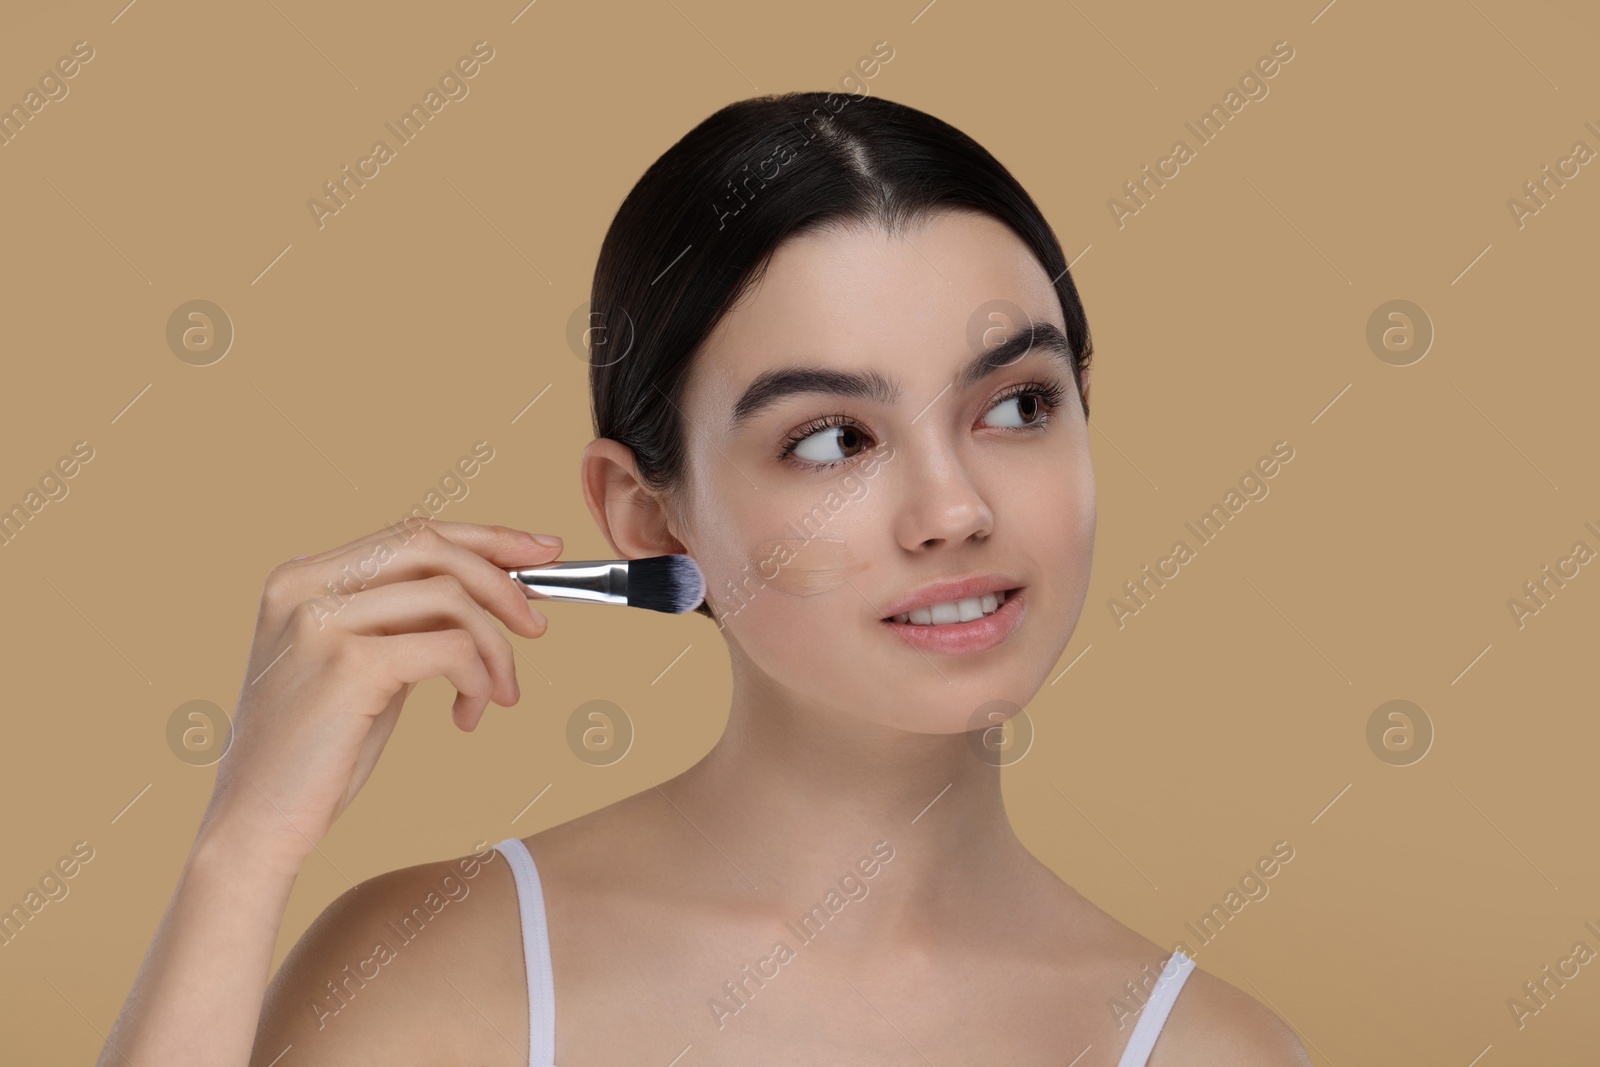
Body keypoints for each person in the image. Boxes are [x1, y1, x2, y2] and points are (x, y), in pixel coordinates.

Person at [101, 91, 1312, 1065]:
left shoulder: (1209, 1045)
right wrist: (242, 850)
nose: (955, 509)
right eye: (833, 438)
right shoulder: (432, 968)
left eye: (1017, 404)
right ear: (648, 515)